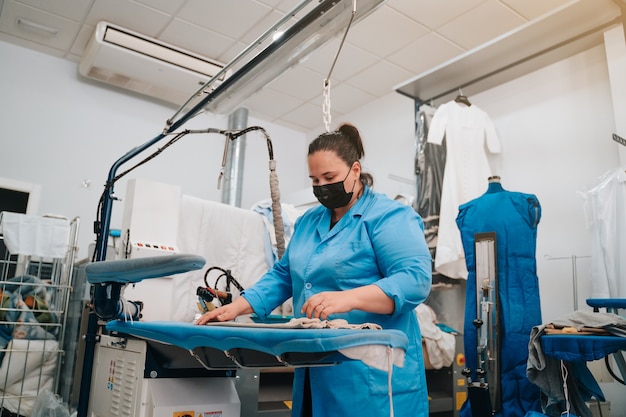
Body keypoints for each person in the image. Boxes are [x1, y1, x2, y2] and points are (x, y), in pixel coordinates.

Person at [196, 123, 432, 417]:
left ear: (355, 170)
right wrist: (236, 309)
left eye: (330, 177)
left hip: (370, 379)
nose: (322, 186)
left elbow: (414, 281)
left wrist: (348, 298)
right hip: (314, 370)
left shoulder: (389, 216)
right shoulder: (309, 221)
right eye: (315, 179)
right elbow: (284, 274)